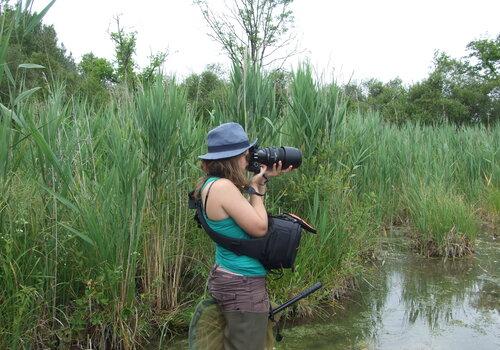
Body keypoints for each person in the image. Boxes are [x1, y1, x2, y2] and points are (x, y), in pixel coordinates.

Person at [194, 122, 293, 350]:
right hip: (242, 284)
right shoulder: (223, 188)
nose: (248, 159)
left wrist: (259, 182)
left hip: (228, 277)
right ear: (234, 157)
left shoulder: (210, 185)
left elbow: (244, 221)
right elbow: (259, 228)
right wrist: (256, 188)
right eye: (245, 154)